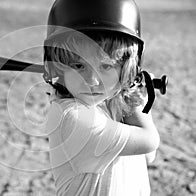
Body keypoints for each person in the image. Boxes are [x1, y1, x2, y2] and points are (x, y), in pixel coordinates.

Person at [43, 0, 160, 195]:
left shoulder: (108, 102)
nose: (93, 81)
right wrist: (135, 96)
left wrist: (128, 91)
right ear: (57, 67)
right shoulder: (72, 117)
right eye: (79, 66)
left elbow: (148, 157)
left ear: (127, 68)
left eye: (106, 66)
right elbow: (149, 141)